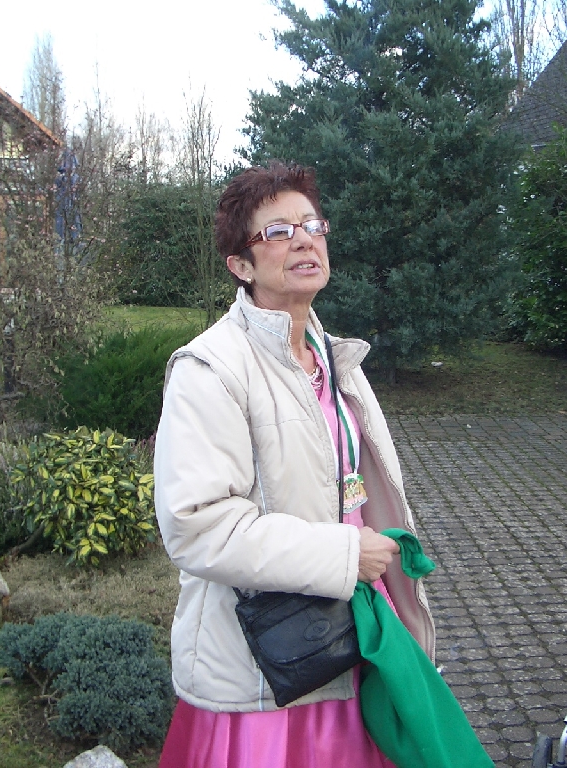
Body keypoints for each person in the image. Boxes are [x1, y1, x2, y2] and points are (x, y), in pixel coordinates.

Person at [153, 161, 436, 768]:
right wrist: (345, 554)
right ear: (241, 265)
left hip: (349, 634)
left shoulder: (334, 357)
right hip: (268, 667)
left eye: (312, 224)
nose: (305, 239)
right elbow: (198, 528)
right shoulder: (210, 369)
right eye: (278, 231)